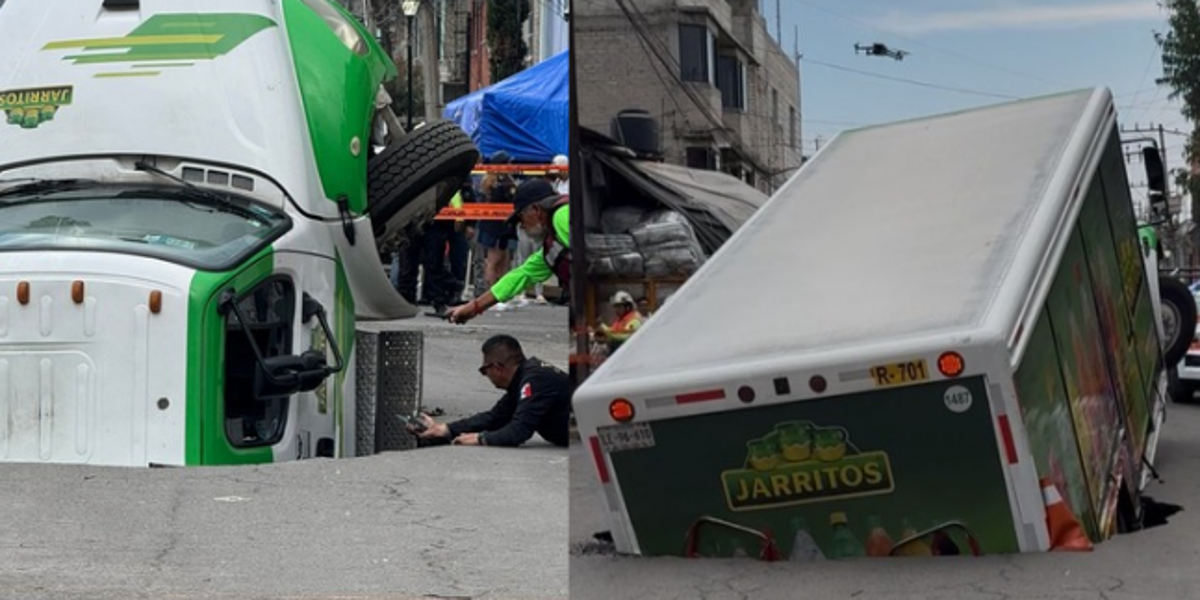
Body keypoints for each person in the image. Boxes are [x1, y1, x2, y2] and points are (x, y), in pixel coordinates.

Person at [409, 334, 570, 447]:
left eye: (484, 370)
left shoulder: (534, 380)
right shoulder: (525, 376)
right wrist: (446, 429)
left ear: (497, 368)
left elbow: (518, 432)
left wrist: (481, 439)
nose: (485, 376)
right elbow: (495, 417)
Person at [448, 177, 569, 324]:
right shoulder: (552, 247)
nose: (521, 226)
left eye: (520, 218)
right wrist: (473, 308)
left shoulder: (561, 216)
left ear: (535, 210)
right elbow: (520, 276)